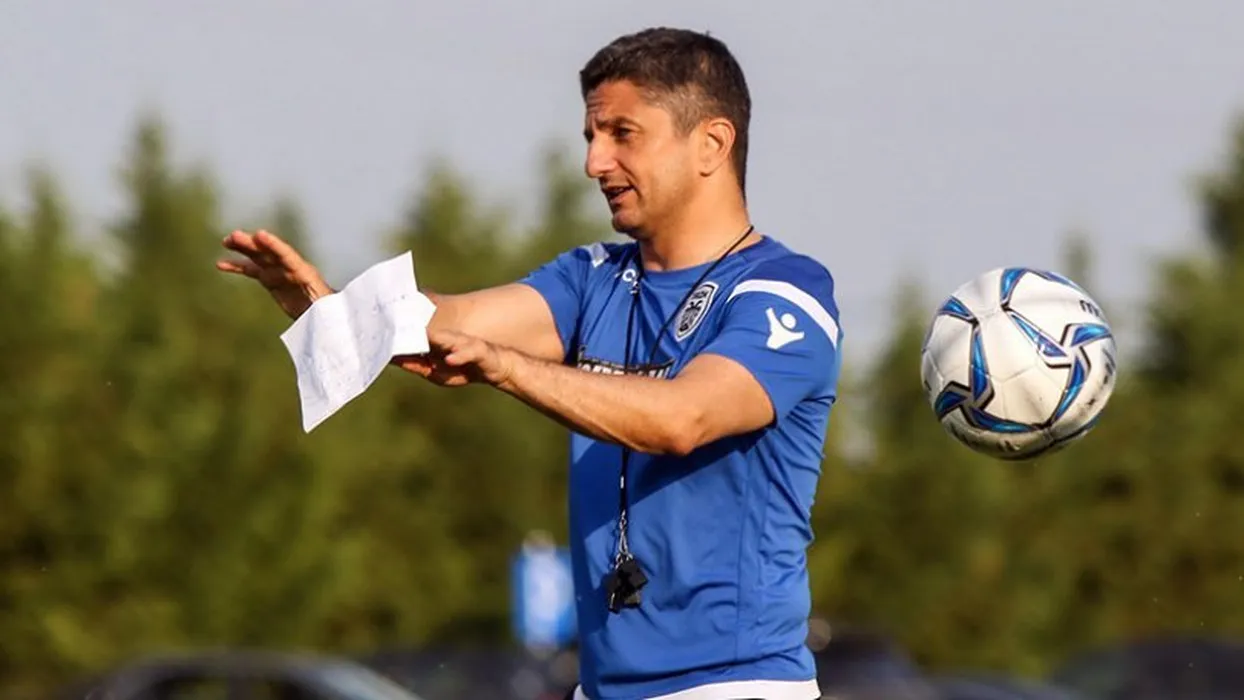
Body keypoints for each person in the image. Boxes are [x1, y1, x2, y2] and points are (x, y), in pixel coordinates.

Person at [218, 26, 842, 700]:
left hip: (736, 686)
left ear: (712, 145)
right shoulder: (593, 276)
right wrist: (333, 307)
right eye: (591, 137)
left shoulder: (785, 293)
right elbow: (451, 323)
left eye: (623, 134)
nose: (595, 162)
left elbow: (682, 419)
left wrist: (509, 368)